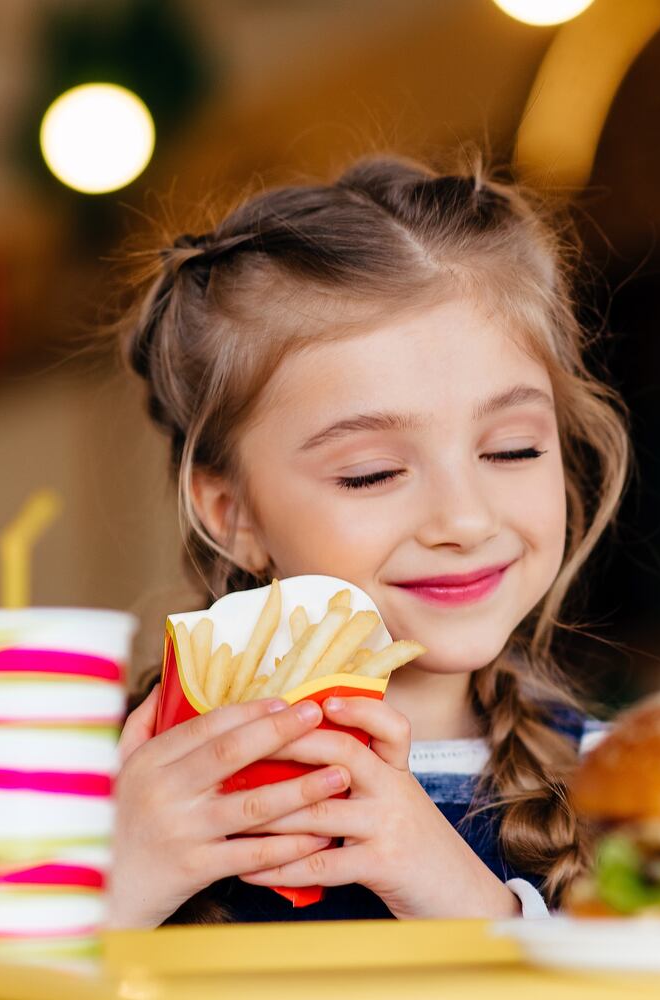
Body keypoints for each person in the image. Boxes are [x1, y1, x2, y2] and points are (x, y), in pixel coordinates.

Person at [106, 153, 628, 927]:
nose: (464, 520)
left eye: (513, 449)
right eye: (373, 473)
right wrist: (110, 890)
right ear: (232, 514)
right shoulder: (108, 792)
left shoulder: (628, 788)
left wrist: (477, 912)